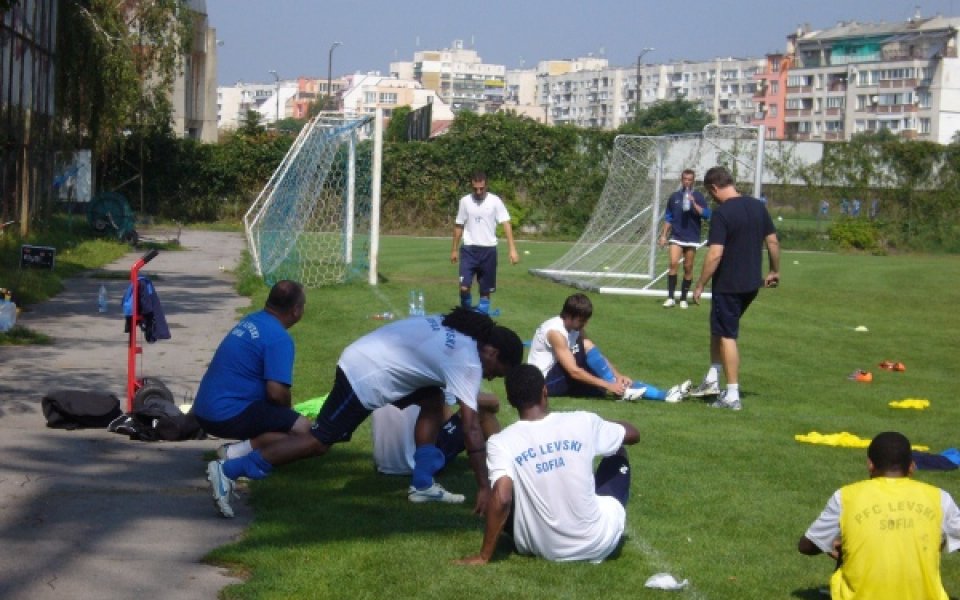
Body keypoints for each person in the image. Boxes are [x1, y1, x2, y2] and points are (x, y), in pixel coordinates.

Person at [206, 307, 524, 518]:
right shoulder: (468, 360)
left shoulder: (462, 329)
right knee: (319, 441)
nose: (493, 377)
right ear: (492, 352)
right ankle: (230, 470)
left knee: (431, 400)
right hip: (365, 374)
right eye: (498, 370)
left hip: (370, 356)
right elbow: (470, 429)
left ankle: (423, 484)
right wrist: (484, 486)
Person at [455, 364, 640, 564]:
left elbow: (502, 496)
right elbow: (633, 434)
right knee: (618, 450)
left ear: (510, 400)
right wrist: (602, 426)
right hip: (596, 543)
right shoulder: (582, 421)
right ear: (545, 390)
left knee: (510, 482)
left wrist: (484, 556)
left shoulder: (501, 442)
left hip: (540, 546)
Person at [193, 281, 313, 516]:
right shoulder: (278, 338)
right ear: (296, 310)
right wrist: (287, 416)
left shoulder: (252, 320)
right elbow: (276, 393)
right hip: (227, 413)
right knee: (306, 433)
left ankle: (234, 452)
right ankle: (230, 466)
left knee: (289, 426)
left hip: (204, 410)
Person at [798, 431, 960, 600]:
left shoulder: (845, 497)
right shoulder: (939, 498)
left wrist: (838, 547)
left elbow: (806, 546)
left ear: (870, 464)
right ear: (912, 466)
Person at [689, 166, 780, 410]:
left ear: (714, 188)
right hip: (751, 283)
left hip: (729, 284)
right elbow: (772, 241)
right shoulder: (758, 206)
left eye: (711, 194)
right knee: (718, 327)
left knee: (727, 335)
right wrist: (774, 270)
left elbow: (715, 254)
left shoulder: (722, 213)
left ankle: (731, 395)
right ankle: (712, 378)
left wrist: (700, 284)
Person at [527, 293, 690, 403]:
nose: (585, 324)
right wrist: (609, 383)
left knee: (600, 386)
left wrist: (617, 376)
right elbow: (573, 371)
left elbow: (594, 353)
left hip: (562, 376)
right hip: (544, 383)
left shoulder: (575, 328)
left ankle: (664, 395)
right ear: (569, 316)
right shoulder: (555, 332)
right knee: (591, 361)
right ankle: (638, 392)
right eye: (581, 320)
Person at [371, 392, 501, 476]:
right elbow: (493, 402)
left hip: (384, 464)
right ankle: (504, 462)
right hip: (416, 465)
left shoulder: (385, 373)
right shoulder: (431, 370)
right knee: (481, 412)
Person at [451, 171, 519, 314]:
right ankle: (466, 314)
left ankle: (482, 319)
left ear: (486, 185)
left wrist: (512, 249)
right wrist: (454, 249)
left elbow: (506, 223)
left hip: (489, 251)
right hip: (469, 249)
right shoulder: (465, 201)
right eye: (475, 188)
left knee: (485, 290)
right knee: (464, 286)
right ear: (471, 186)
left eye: (481, 188)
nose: (478, 191)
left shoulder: (495, 201)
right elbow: (459, 225)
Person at [658, 168, 711, 309]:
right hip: (676, 236)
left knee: (688, 267)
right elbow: (669, 218)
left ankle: (683, 298)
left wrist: (693, 203)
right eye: (685, 179)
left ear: (693, 181)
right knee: (673, 264)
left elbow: (706, 214)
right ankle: (670, 298)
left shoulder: (698, 196)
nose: (687, 182)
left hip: (692, 237)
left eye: (690, 179)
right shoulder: (674, 197)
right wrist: (663, 235)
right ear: (681, 180)